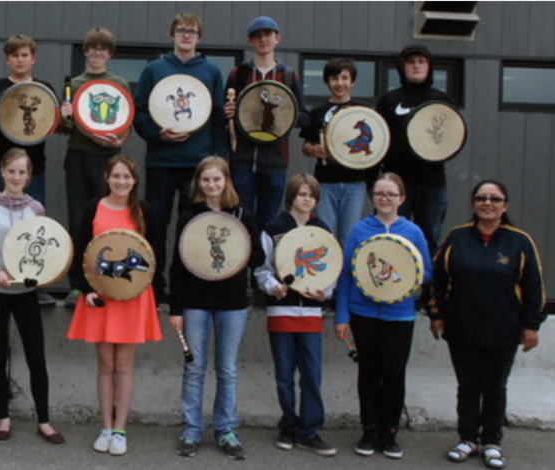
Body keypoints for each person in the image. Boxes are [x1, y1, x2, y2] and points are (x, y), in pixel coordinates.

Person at [429, 180, 546, 469]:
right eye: (481, 197)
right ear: (473, 204)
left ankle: (492, 442)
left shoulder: (519, 241)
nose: (488, 203)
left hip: (504, 330)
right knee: (467, 387)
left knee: (495, 387)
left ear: (505, 205)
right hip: (461, 328)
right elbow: (437, 280)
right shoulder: (457, 238)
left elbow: (534, 287)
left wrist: (532, 326)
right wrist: (436, 315)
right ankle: (468, 439)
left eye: (495, 198)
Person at [68, 154, 164, 456]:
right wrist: (86, 290)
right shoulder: (92, 209)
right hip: (99, 298)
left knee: (124, 365)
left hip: (133, 299)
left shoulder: (144, 211)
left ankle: (120, 431)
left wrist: (149, 290)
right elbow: (80, 252)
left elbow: (155, 256)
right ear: (107, 178)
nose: (122, 181)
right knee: (105, 365)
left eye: (127, 177)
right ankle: (105, 428)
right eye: (116, 176)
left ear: (134, 180)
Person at [168, 156, 264, 460]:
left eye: (217, 180)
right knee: (194, 367)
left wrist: (244, 244)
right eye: (206, 180)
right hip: (195, 301)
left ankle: (226, 430)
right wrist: (175, 309)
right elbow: (178, 265)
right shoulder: (188, 217)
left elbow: (259, 259)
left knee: (227, 369)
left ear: (226, 182)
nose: (211, 185)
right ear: (199, 182)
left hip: (232, 302)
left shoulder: (243, 215)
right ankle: (191, 429)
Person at [334, 172, 432, 459]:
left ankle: (390, 431)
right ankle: (369, 429)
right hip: (363, 313)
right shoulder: (359, 230)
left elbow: (427, 272)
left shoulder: (412, 232)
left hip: (399, 315)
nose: (385, 199)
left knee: (393, 373)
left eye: (391, 194)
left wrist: (405, 278)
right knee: (368, 372)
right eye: (379, 194)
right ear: (372, 198)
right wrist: (342, 316)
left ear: (401, 198)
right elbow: (346, 276)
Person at [0, 148, 65, 445]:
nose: (16, 177)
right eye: (11, 171)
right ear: (2, 171)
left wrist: (45, 274)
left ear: (29, 175)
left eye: (22, 172)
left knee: (36, 357)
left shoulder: (36, 208)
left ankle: (44, 421)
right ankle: (3, 418)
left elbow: (44, 252)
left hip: (26, 294)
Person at [133, 12, 228, 302]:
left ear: (199, 37)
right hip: (162, 163)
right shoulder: (154, 70)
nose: (186, 35)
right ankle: (154, 287)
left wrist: (219, 162)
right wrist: (157, 133)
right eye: (181, 30)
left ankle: (185, 289)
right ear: (173, 34)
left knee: (193, 230)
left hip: (198, 165)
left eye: (192, 31)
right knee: (155, 227)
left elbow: (218, 120)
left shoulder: (211, 72)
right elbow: (138, 113)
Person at [254, 173, 336, 456]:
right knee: (284, 375)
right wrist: (273, 287)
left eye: (311, 195)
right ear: (291, 196)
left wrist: (324, 293)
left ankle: (309, 430)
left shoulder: (322, 229)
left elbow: (330, 270)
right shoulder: (274, 228)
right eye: (302, 194)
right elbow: (262, 269)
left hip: (311, 313)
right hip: (281, 311)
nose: (307, 199)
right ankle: (288, 425)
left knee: (312, 374)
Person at [0, 34, 58, 306]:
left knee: (33, 227)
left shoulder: (44, 88)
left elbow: (55, 123)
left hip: (33, 167)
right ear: (7, 59)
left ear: (33, 58)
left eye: (25, 55)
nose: (20, 60)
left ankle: (35, 280)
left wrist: (65, 117)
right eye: (15, 55)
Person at [58, 27, 131, 309]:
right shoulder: (74, 84)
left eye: (103, 49)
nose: (97, 53)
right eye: (93, 48)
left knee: (107, 222)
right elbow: (64, 128)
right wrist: (63, 118)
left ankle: (107, 279)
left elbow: (126, 125)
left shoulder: (119, 83)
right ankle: (77, 285)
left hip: (108, 161)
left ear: (110, 54)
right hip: (77, 157)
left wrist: (118, 141)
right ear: (86, 51)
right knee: (79, 223)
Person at [224, 16, 309, 232]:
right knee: (241, 218)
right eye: (257, 36)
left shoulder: (288, 76)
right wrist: (228, 112)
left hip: (275, 161)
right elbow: (224, 112)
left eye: (268, 35)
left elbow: (304, 117)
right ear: (250, 41)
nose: (263, 39)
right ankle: (242, 265)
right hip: (242, 160)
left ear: (277, 38)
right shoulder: (239, 73)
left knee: (269, 221)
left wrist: (285, 117)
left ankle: (263, 266)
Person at [375, 44, 454, 257]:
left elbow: (451, 139)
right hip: (395, 183)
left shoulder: (441, 100)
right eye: (411, 62)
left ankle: (428, 290)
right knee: (389, 238)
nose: (416, 66)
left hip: (432, 183)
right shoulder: (389, 100)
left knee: (429, 241)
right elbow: (377, 142)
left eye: (421, 62)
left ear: (429, 67)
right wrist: (372, 181)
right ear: (402, 68)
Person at [300, 58, 366, 245]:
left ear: (352, 81)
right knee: (324, 235)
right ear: (327, 81)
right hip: (324, 181)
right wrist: (314, 150)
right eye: (334, 78)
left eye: (345, 78)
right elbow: (305, 145)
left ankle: (345, 274)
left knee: (349, 237)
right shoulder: (318, 111)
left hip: (355, 181)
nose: (340, 83)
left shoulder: (363, 110)